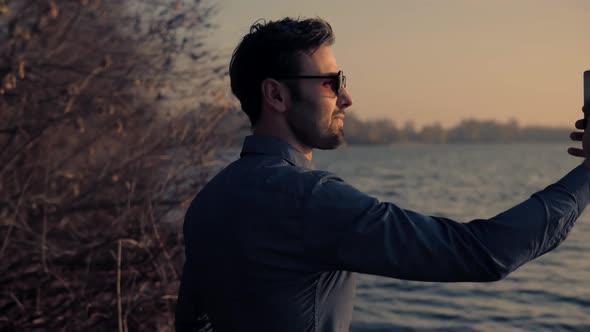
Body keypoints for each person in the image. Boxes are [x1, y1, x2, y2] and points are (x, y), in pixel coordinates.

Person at [175, 17, 590, 332]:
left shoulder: (209, 200)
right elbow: (483, 252)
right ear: (277, 94)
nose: (347, 97)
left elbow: (194, 321)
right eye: (330, 82)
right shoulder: (310, 200)